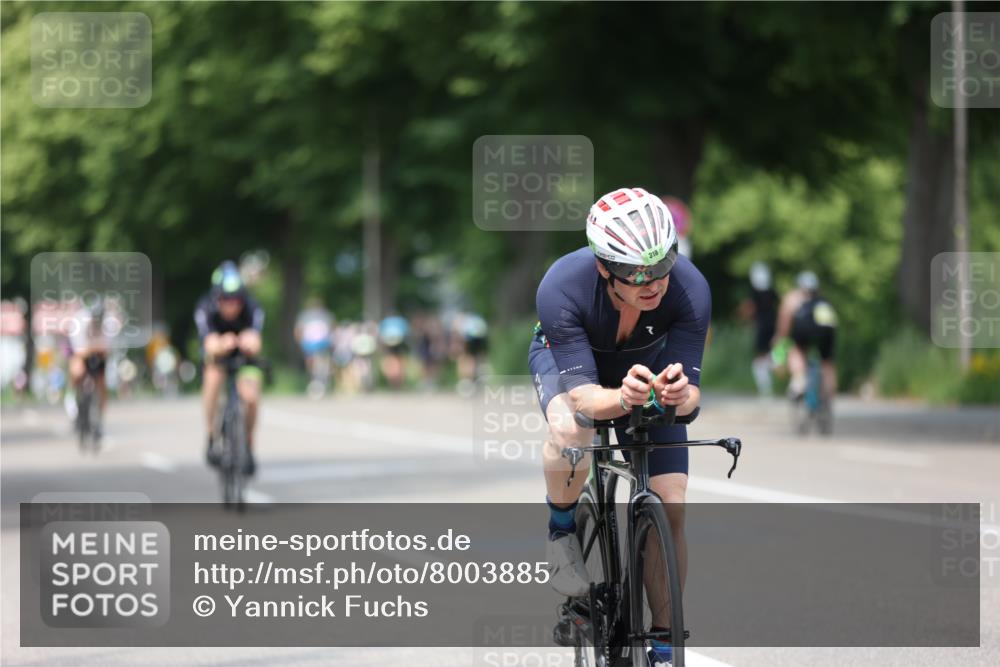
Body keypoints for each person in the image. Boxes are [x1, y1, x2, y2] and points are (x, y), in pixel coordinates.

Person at [529, 187, 710, 667]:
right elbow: (585, 399)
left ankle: (665, 644)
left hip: (645, 372)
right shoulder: (561, 286)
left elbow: (692, 396)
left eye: (663, 264)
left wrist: (675, 393)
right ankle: (561, 527)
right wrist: (625, 397)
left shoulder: (690, 287)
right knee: (571, 430)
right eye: (636, 272)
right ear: (604, 267)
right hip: (571, 369)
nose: (653, 282)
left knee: (671, 499)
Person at [194, 261, 265, 475]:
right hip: (217, 355)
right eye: (226, 299)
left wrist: (248, 341)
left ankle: (248, 445)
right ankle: (211, 437)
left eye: (237, 299)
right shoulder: (205, 307)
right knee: (213, 380)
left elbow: (256, 340)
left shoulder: (253, 307)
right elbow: (208, 342)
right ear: (217, 297)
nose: (232, 305)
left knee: (251, 396)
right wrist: (221, 343)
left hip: (243, 357)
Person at [775, 271, 838, 404]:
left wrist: (780, 339)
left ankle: (799, 381)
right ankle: (828, 392)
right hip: (827, 332)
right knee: (827, 362)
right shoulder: (823, 301)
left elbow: (784, 325)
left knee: (795, 349)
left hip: (804, 331)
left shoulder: (792, 298)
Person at [67, 298, 118, 440]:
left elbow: (107, 349)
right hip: (82, 352)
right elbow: (79, 351)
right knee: (77, 373)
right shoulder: (80, 322)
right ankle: (75, 403)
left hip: (98, 354)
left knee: (102, 384)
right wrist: (92, 349)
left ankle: (99, 420)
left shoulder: (109, 324)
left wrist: (97, 350)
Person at [745, 261, 778, 396]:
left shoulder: (755, 292)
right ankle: (775, 366)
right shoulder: (772, 291)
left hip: (761, 326)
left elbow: (750, 309)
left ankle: (765, 388)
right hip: (773, 325)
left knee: (759, 359)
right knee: (770, 354)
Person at [295, 297, 334, 397]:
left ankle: (323, 380)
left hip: (322, 343)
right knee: (311, 363)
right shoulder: (305, 316)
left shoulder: (325, 315)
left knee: (323, 363)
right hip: (309, 343)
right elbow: (299, 329)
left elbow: (332, 327)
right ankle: (314, 380)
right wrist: (300, 341)